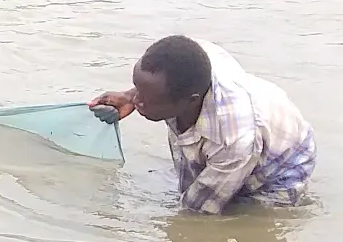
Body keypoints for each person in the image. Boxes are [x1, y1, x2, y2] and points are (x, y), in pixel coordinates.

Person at [90, 35, 315, 215]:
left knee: (239, 218)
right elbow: (154, 85)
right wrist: (129, 96)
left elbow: (199, 210)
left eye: (148, 98)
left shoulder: (232, 138)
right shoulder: (190, 59)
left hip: (280, 166)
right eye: (138, 88)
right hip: (243, 134)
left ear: (190, 100)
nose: (138, 101)